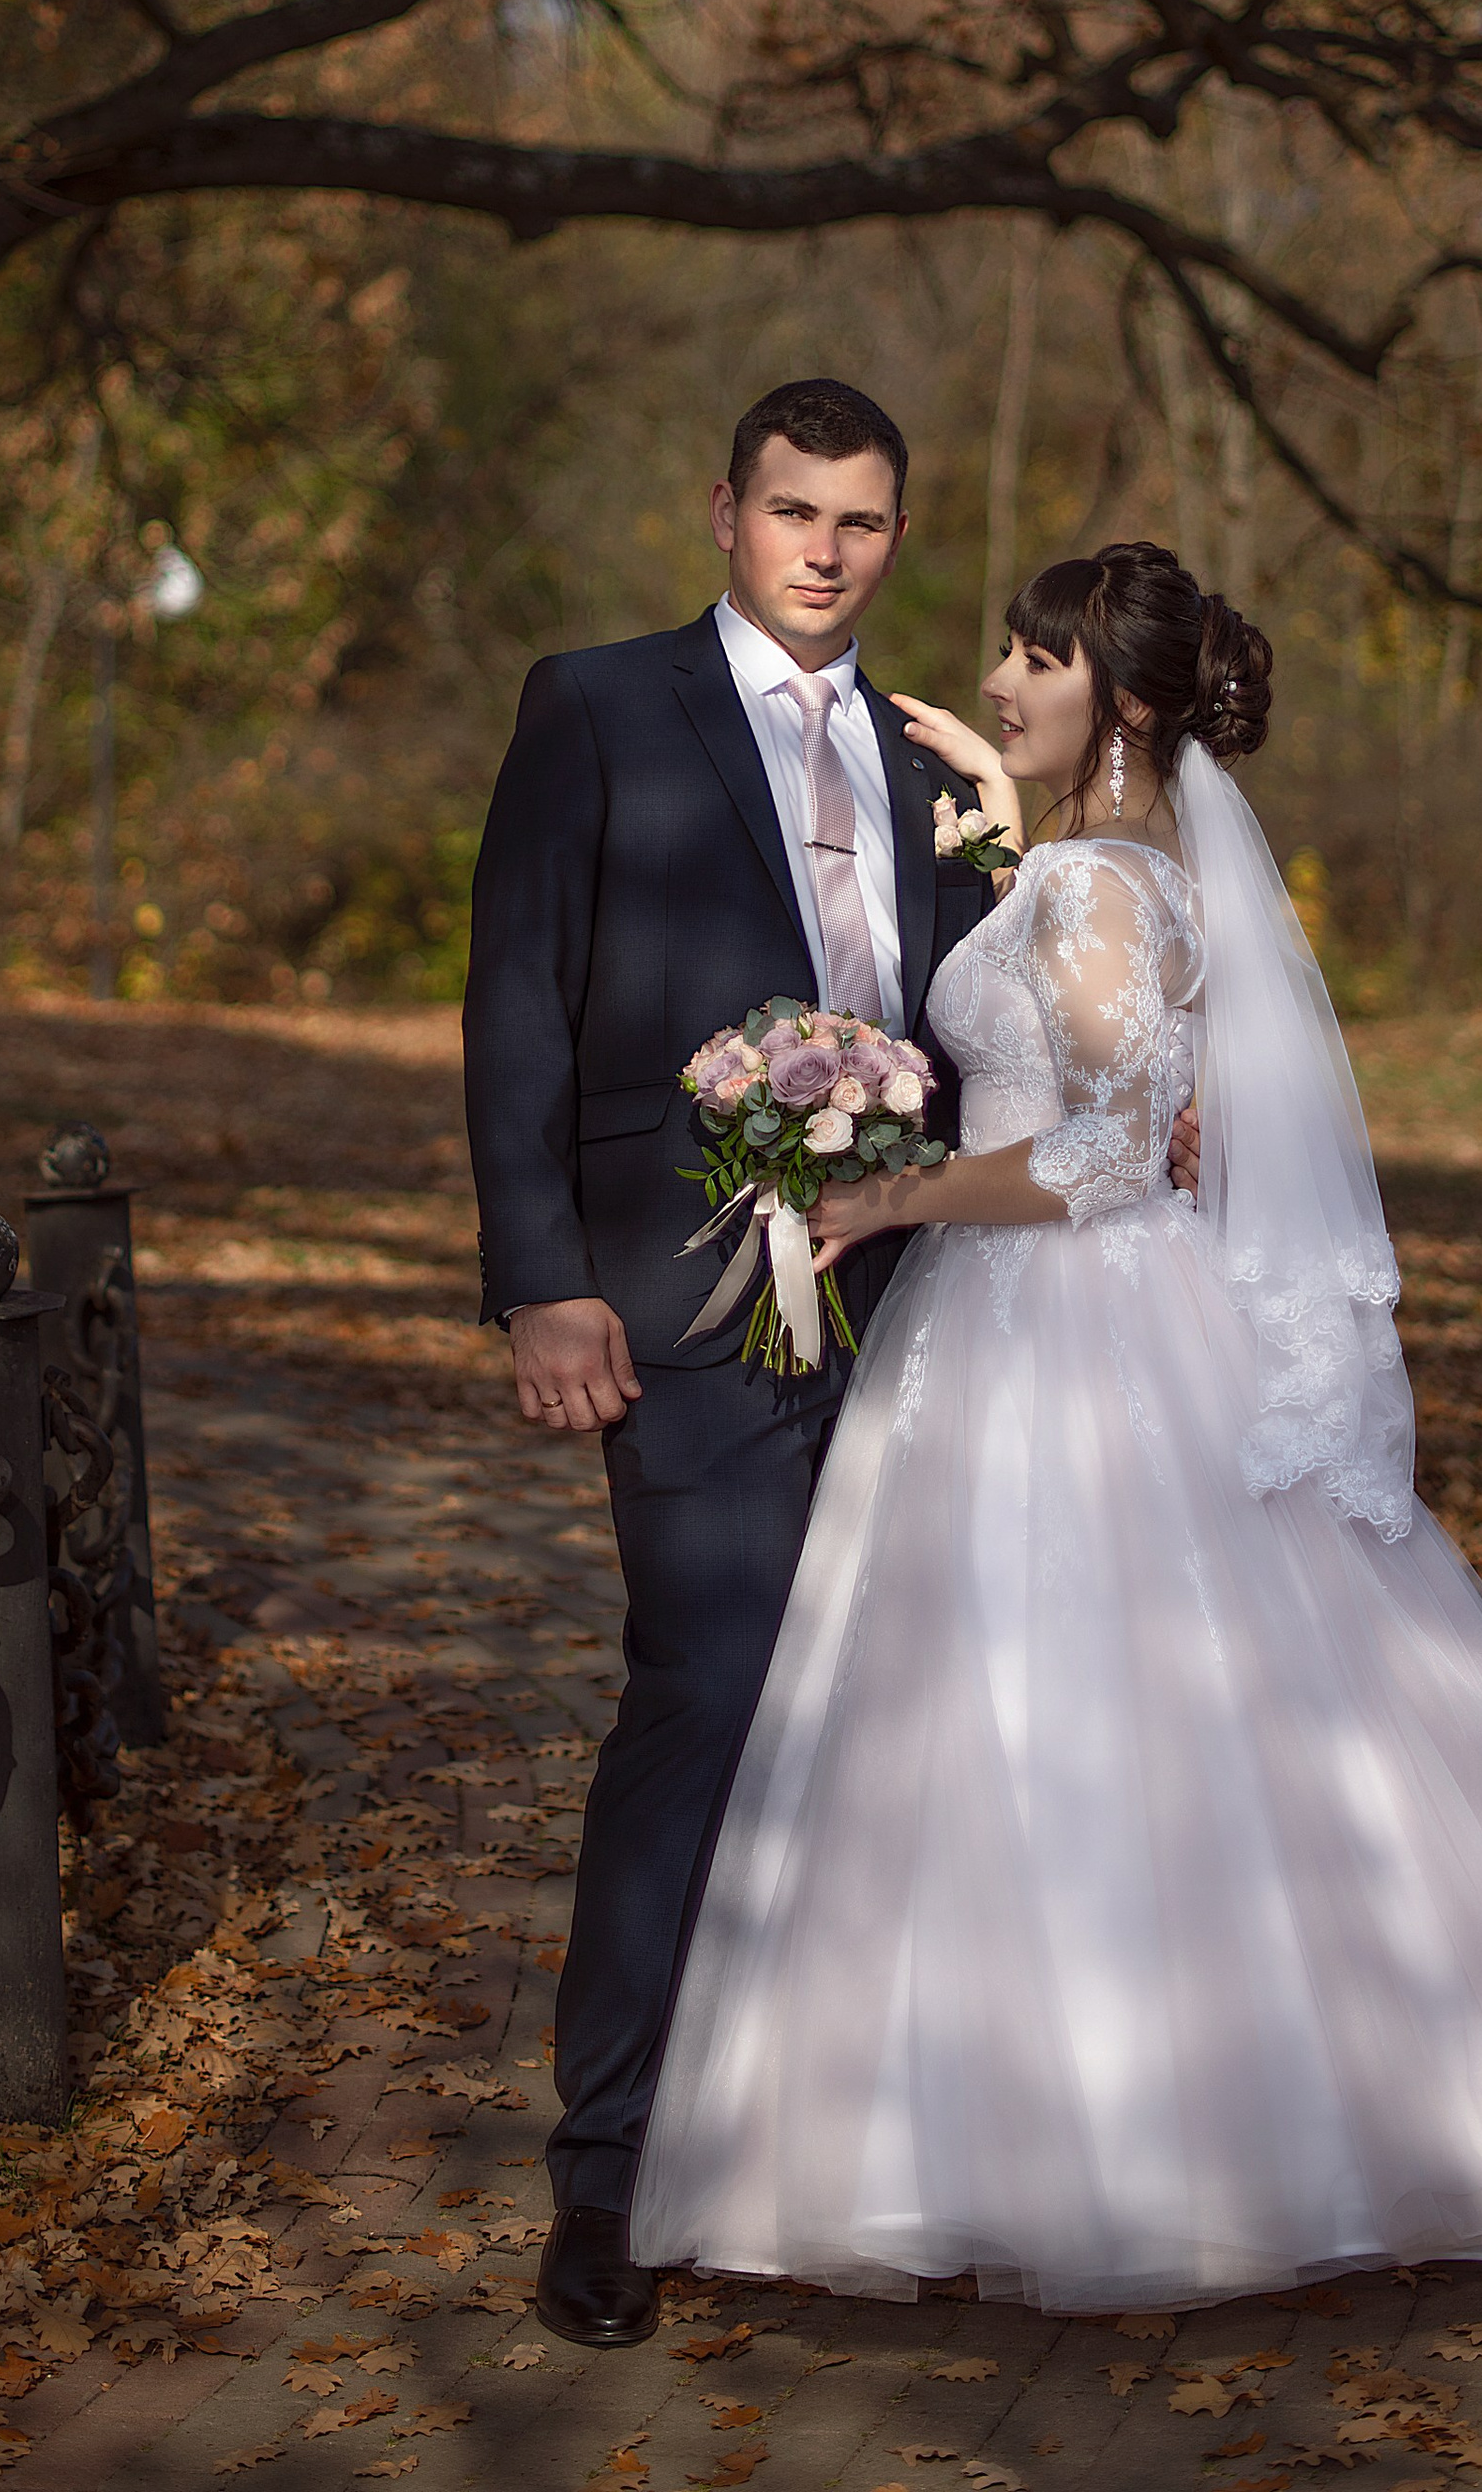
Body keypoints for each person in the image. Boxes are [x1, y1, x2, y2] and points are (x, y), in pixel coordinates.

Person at [630, 541, 1482, 2310]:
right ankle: (1037, 2123)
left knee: (1095, 1715)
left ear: (1115, 695)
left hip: (1071, 1334)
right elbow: (1111, 1069)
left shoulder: (1103, 889)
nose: (1005, 683)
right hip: (1036, 1317)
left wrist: (888, 1202)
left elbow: (1109, 1150)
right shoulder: (1100, 868)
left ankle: (1158, 2139)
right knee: (1017, 1722)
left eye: (1033, 660)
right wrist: (987, 814)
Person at [463, 380, 1013, 2347]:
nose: (823, 550)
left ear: (891, 534)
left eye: (860, 521)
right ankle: (605, 2175)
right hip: (675, 1293)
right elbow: (518, 993)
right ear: (722, 509)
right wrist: (539, 1277)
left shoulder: (931, 750)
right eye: (791, 509)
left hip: (915, 1290)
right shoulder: (594, 706)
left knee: (892, 1712)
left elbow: (980, 1014)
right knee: (701, 1688)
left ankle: (855, 2153)